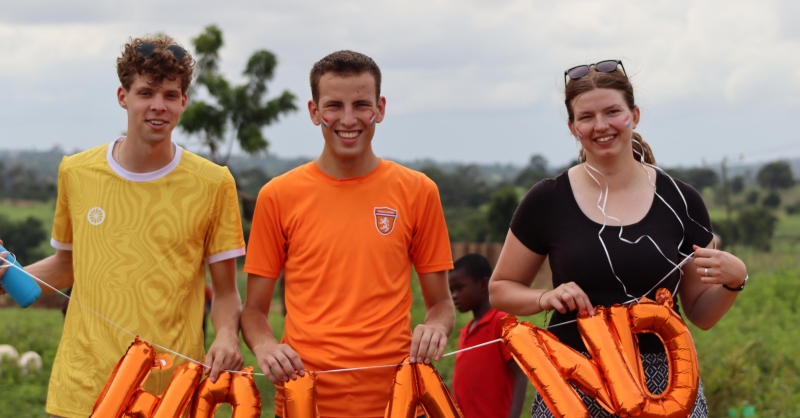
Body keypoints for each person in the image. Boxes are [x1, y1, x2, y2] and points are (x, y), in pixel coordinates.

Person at [0, 36, 246, 418]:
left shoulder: (214, 183)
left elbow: (227, 292)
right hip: (82, 390)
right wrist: (5, 275)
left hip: (169, 393)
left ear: (183, 101)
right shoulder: (76, 172)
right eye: (146, 92)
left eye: (170, 94)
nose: (158, 106)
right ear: (123, 96)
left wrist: (228, 335)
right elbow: (67, 265)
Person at [488, 60, 748, 418]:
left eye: (613, 112)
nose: (601, 126)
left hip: (669, 387)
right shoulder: (547, 199)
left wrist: (736, 280)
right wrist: (545, 297)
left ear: (634, 115)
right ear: (572, 127)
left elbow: (700, 314)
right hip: (573, 383)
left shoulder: (681, 200)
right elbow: (500, 288)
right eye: (587, 117)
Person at [241, 50, 455, 417]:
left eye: (361, 105)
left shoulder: (418, 191)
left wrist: (435, 327)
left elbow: (441, 304)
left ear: (381, 108)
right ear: (313, 112)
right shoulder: (278, 195)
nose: (348, 119)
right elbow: (254, 311)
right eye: (333, 106)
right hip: (304, 402)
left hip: (398, 402)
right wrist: (264, 347)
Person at [449, 253, 527, 418]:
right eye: (451, 290)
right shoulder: (466, 331)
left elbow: (520, 373)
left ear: (484, 285)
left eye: (459, 287)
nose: (454, 295)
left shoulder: (501, 321)